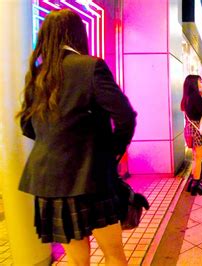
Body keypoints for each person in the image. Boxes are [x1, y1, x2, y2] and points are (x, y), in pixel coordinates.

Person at [17, 9, 136, 265]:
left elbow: (27, 126)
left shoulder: (38, 74)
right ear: (78, 34)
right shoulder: (90, 66)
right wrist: (112, 151)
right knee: (114, 253)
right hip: (90, 177)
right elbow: (125, 116)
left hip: (52, 182)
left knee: (76, 259)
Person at [182, 74, 202, 196]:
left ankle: (193, 183)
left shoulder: (187, 97)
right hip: (196, 130)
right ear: (194, 84)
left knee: (196, 157)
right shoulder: (196, 96)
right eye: (200, 82)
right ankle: (196, 184)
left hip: (189, 129)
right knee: (199, 157)